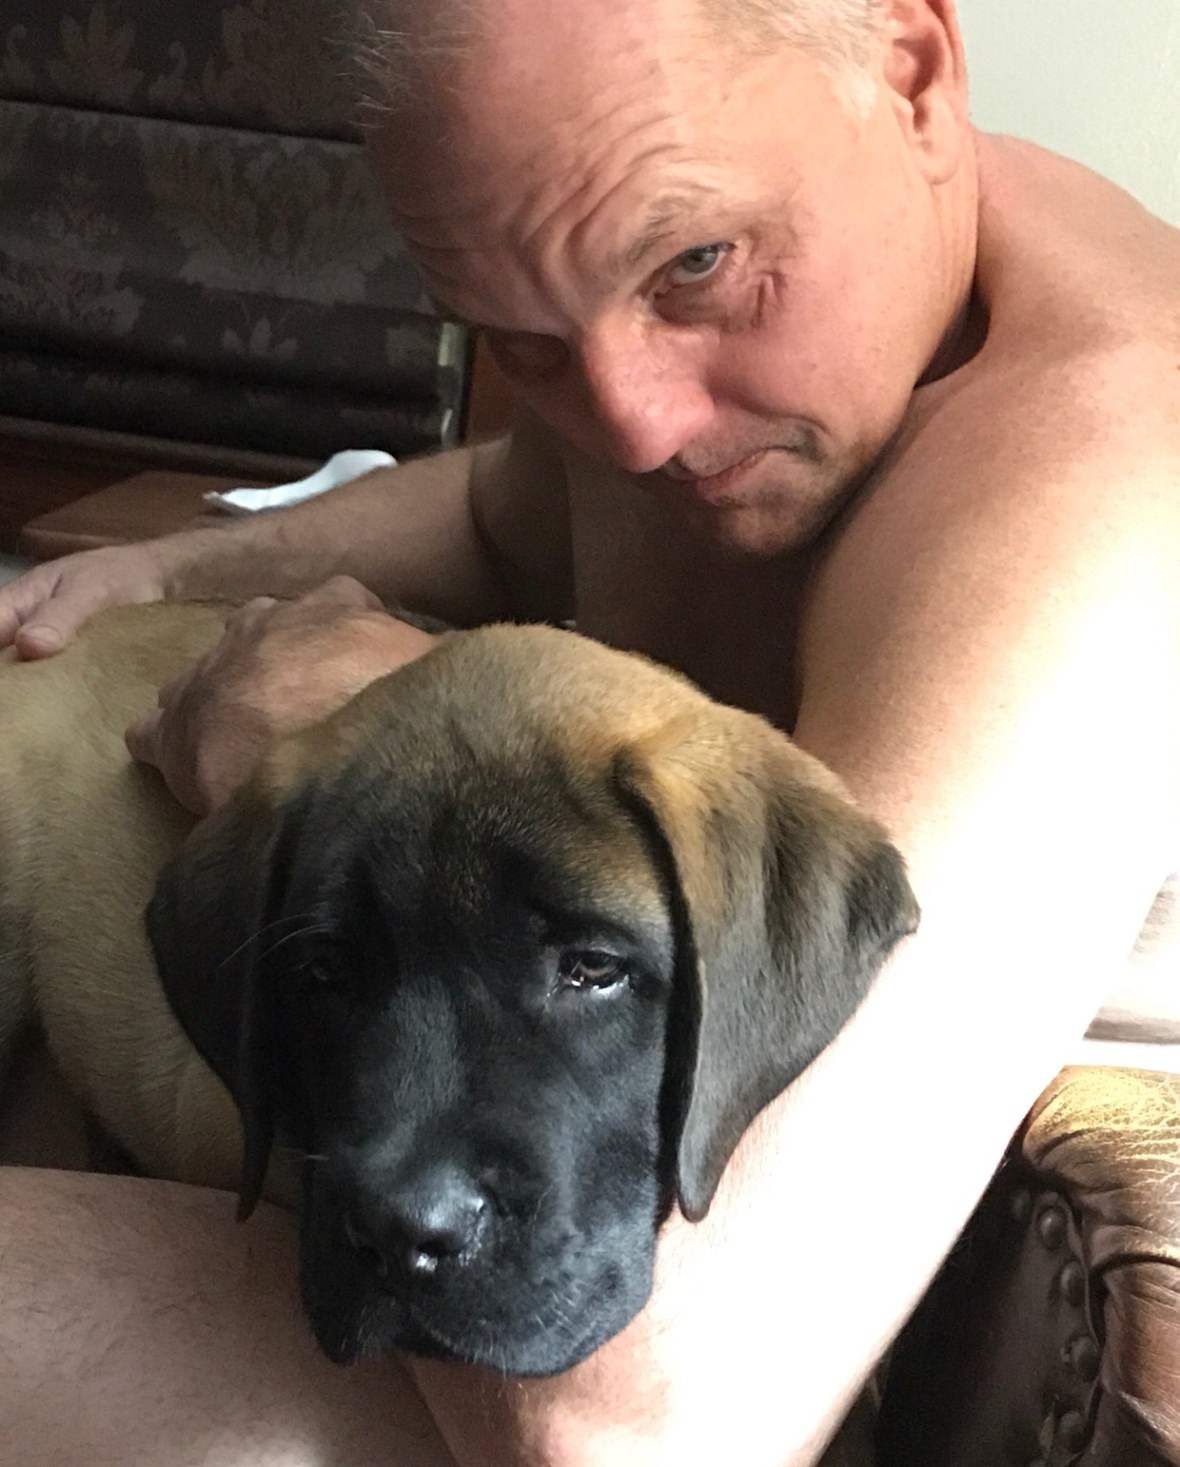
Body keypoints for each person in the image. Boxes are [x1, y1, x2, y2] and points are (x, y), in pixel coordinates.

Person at [1, 0, 1178, 1462]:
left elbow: (644, 1418)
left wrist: (370, 750)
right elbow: (508, 505)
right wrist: (172, 568)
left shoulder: (1094, 499)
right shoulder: (710, 286)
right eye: (522, 340)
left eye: (697, 266)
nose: (633, 425)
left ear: (914, 67)